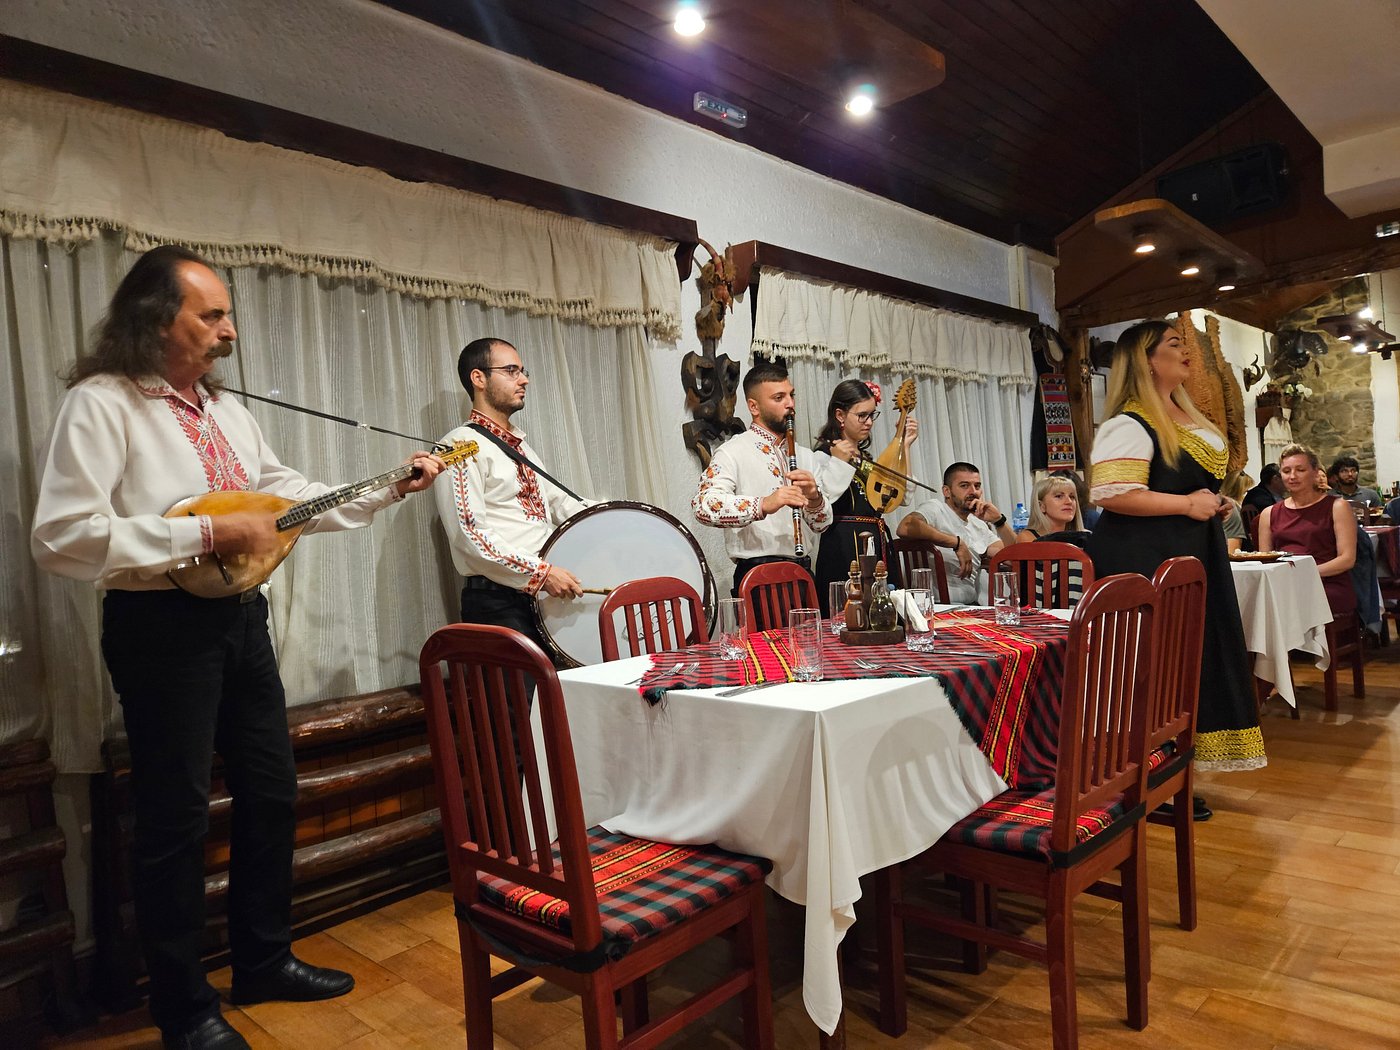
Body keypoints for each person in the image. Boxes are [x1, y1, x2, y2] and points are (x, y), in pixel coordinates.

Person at [30, 246, 446, 1050]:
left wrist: (386, 487)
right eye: (213, 315)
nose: (230, 330)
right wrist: (206, 533)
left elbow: (284, 502)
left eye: (227, 315)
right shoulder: (102, 403)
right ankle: (182, 1007)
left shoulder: (226, 411)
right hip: (157, 629)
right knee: (175, 817)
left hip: (240, 622)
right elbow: (62, 537)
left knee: (271, 792)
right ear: (158, 318)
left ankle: (262, 961)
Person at [1085, 319, 1265, 794]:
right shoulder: (1128, 422)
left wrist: (1209, 502)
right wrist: (1187, 504)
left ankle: (1173, 774)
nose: (1187, 352)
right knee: (1152, 669)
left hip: (1187, 554)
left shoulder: (1182, 416)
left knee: (1186, 662)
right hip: (1144, 560)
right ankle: (1138, 775)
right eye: (1174, 344)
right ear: (1147, 360)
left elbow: (1180, 485)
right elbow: (1111, 492)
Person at [434, 337, 587, 649]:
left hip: (542, 600)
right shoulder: (457, 445)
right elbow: (469, 535)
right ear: (478, 378)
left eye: (522, 371)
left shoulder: (521, 447)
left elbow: (561, 503)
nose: (524, 379)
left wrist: (619, 516)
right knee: (522, 686)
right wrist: (542, 574)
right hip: (498, 605)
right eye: (511, 371)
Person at [693, 361, 833, 595]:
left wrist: (814, 498)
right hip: (757, 578)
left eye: (791, 395)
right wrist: (764, 504)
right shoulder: (732, 451)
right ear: (754, 407)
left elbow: (822, 524)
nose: (790, 404)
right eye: (779, 398)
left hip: (803, 574)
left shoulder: (806, 456)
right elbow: (703, 506)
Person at [812, 379, 919, 612]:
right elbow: (824, 498)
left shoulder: (867, 459)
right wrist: (840, 461)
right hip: (842, 547)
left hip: (876, 542)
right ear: (840, 415)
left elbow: (901, 497)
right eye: (862, 415)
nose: (869, 422)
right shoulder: (823, 456)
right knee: (848, 613)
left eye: (872, 415)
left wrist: (904, 446)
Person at [897, 461, 1018, 604]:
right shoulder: (936, 509)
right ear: (947, 491)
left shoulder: (979, 525)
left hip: (971, 607)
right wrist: (956, 543)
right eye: (964, 486)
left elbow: (1014, 556)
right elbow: (905, 527)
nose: (973, 492)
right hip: (935, 606)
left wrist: (999, 521)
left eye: (977, 486)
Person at [1260, 444, 1357, 619]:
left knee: (1289, 602)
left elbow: (1347, 559)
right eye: (1286, 471)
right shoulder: (1269, 513)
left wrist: (1304, 572)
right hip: (1285, 583)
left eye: (1300, 470)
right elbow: (1265, 560)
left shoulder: (1337, 506)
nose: (1292, 476)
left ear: (1315, 472)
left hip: (1326, 582)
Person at [1016, 474, 1085, 542]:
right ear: (1041, 506)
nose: (1069, 502)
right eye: (1059, 496)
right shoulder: (1027, 539)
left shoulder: (1086, 537)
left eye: (1072, 497)